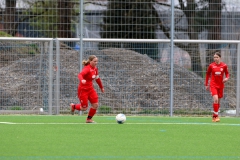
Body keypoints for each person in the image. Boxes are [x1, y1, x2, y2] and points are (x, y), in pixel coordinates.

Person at [70, 55, 104, 123]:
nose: (96, 63)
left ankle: (88, 119)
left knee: (95, 105)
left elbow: (97, 79)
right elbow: (80, 75)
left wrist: (101, 87)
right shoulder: (87, 68)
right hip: (83, 90)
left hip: (91, 89)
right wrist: (82, 80)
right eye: (94, 61)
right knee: (84, 108)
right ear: (90, 61)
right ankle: (73, 106)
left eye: (97, 61)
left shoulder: (95, 69)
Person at [205, 51, 229, 122]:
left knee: (218, 101)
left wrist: (226, 78)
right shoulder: (211, 66)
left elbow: (227, 74)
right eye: (214, 57)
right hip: (213, 85)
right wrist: (206, 84)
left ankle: (214, 116)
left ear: (220, 58)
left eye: (217, 57)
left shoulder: (224, 65)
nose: (215, 58)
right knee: (215, 99)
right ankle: (216, 116)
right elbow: (207, 75)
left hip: (220, 85)